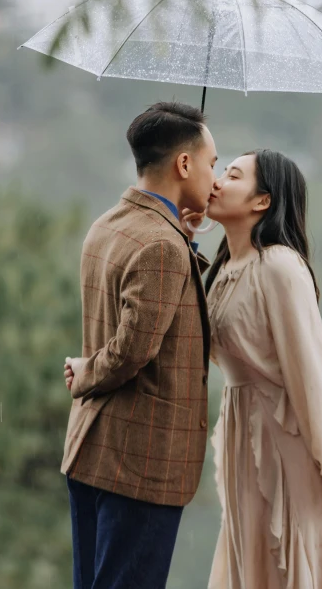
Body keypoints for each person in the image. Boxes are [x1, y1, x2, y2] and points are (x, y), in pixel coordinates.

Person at [62, 101, 218, 589]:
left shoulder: (109, 223)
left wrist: (186, 235)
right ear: (184, 164)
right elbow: (132, 350)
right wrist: (85, 373)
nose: (215, 176)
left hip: (94, 450)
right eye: (212, 162)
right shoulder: (162, 246)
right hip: (141, 460)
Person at [202, 148, 322, 588]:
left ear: (262, 201)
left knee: (289, 558)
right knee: (254, 557)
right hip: (243, 431)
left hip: (284, 439)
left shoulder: (279, 267)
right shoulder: (223, 269)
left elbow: (310, 372)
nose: (217, 181)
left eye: (233, 175)